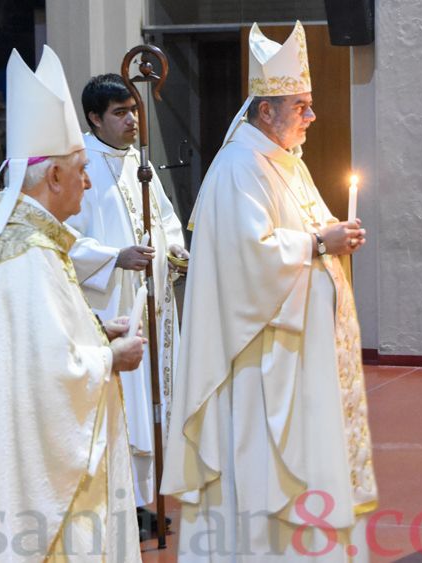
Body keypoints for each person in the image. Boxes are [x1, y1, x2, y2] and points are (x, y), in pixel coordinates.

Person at [161, 21, 376, 561]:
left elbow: (306, 232)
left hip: (298, 354)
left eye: (309, 105)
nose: (311, 116)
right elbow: (247, 261)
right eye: (301, 106)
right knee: (262, 467)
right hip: (261, 359)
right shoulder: (240, 167)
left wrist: (334, 237)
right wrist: (319, 242)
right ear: (265, 111)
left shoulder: (285, 163)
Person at [0, 46, 144, 562]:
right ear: (54, 176)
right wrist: (111, 358)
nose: (88, 181)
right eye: (81, 169)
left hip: (6, 452)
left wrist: (96, 330)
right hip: (38, 476)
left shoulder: (3, 238)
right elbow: (51, 375)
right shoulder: (28, 252)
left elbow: (33, 344)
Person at [67, 74, 187, 535]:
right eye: (120, 113)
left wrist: (175, 250)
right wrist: (113, 256)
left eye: (133, 110)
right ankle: (124, 504)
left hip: (153, 305)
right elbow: (64, 237)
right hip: (112, 308)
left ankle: (143, 500)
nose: (132, 120)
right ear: (94, 118)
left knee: (151, 402)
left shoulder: (139, 162)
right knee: (126, 408)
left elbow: (165, 218)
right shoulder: (81, 166)